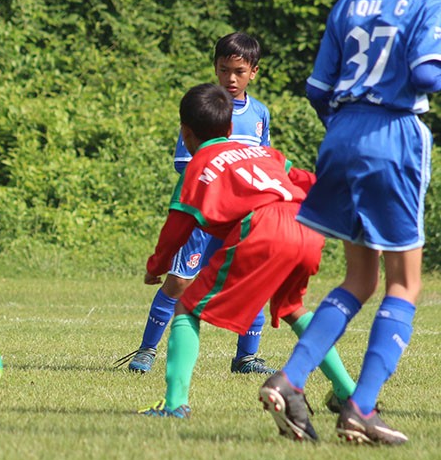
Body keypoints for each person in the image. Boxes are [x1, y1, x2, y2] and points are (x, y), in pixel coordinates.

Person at [260, 0, 441, 445]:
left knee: (358, 279)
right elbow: (427, 76)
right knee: (404, 282)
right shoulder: (428, 4)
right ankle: (361, 406)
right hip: (392, 133)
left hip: (341, 135)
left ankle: (289, 379)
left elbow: (319, 87)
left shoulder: (347, 5)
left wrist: (345, 129)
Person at [139, 84, 353, 419]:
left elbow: (176, 230)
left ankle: (174, 404)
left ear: (186, 132)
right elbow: (303, 179)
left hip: (264, 228)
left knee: (187, 308)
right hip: (305, 226)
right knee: (293, 307)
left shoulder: (198, 167)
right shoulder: (262, 153)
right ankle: (348, 393)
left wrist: (157, 266)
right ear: (228, 128)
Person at [117, 32, 279, 377]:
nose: (230, 79)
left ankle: (246, 357)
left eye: (238, 71)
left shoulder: (260, 114)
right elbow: (184, 162)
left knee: (254, 283)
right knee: (179, 282)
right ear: (215, 69)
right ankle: (147, 350)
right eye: (223, 70)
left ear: (254, 72)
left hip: (242, 220)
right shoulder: (204, 107)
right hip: (204, 219)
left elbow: (263, 160)